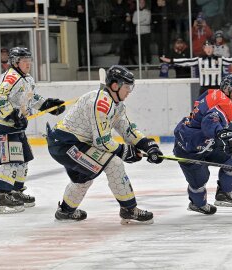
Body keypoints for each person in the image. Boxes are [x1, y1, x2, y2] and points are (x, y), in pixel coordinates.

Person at [46, 65, 163, 224]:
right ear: (115, 86)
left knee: (84, 177)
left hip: (72, 143)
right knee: (113, 163)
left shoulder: (116, 104)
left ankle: (65, 212)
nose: (129, 91)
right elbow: (102, 141)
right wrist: (124, 151)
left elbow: (126, 129)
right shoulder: (101, 104)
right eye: (127, 86)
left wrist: (148, 145)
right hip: (65, 144)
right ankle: (129, 209)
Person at [0, 47, 66, 214]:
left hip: (16, 126)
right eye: (24, 61)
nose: (28, 64)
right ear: (15, 62)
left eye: (29, 60)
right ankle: (3, 195)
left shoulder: (26, 79)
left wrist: (48, 105)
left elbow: (31, 98)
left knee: (23, 159)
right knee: (11, 160)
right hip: (3, 125)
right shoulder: (10, 78)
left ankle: (16, 191)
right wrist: (11, 115)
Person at [173, 74, 232, 215]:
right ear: (227, 90)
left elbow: (210, 111)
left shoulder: (215, 94)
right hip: (189, 148)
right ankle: (197, 204)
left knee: (231, 159)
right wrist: (221, 132)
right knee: (199, 181)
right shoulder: (223, 104)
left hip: (205, 143)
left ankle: (224, 194)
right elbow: (209, 121)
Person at [160, 39, 232, 95]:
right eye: (206, 47)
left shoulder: (220, 59)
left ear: (213, 48)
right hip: (204, 89)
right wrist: (171, 61)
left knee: (220, 111)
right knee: (199, 112)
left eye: (210, 47)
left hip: (217, 89)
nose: (208, 49)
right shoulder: (200, 59)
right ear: (204, 49)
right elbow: (186, 61)